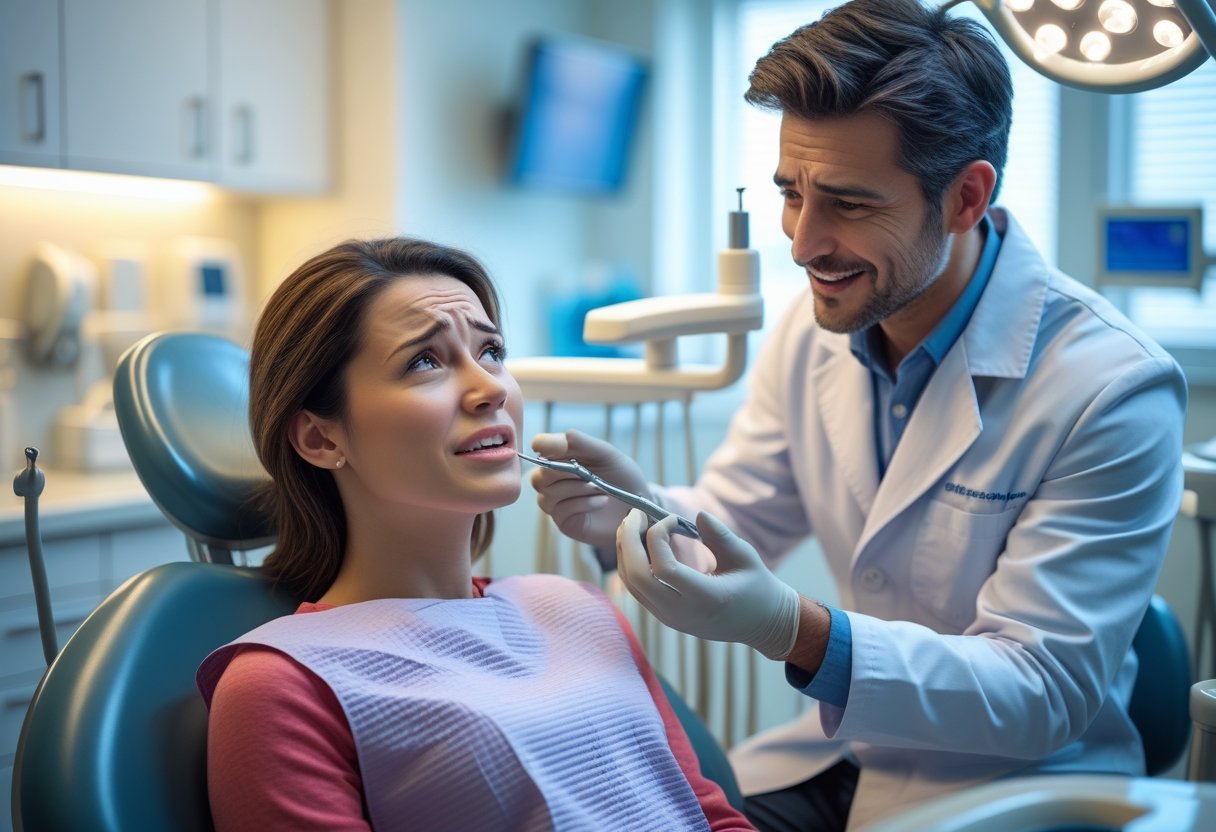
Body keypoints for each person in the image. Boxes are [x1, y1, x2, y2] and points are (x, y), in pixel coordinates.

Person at [528, 0, 1189, 829]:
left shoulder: (1110, 386)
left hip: (1014, 788)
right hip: (841, 757)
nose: (803, 243)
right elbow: (739, 521)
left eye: (846, 202)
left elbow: (1041, 690)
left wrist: (796, 630)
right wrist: (636, 511)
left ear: (964, 197)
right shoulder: (817, 328)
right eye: (790, 193)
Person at [194, 237, 753, 831]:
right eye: (425, 361)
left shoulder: (578, 608)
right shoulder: (282, 686)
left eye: (491, 352)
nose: (490, 388)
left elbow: (707, 816)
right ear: (320, 439)